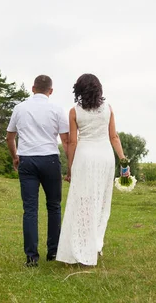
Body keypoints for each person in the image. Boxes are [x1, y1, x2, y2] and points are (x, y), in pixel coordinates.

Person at [56, 73, 127, 266]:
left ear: (79, 90)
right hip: (105, 158)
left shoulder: (74, 111)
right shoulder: (108, 109)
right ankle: (95, 244)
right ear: (98, 89)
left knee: (82, 201)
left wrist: (70, 169)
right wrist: (124, 162)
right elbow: (114, 138)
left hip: (85, 158)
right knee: (101, 201)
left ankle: (80, 246)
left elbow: (72, 142)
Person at [6, 75, 69, 267]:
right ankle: (53, 251)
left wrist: (15, 157)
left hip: (27, 160)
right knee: (54, 206)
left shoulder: (20, 108)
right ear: (51, 91)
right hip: (50, 159)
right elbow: (66, 141)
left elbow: (10, 137)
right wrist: (71, 166)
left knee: (30, 209)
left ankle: (32, 257)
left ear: (32, 88)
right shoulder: (57, 109)